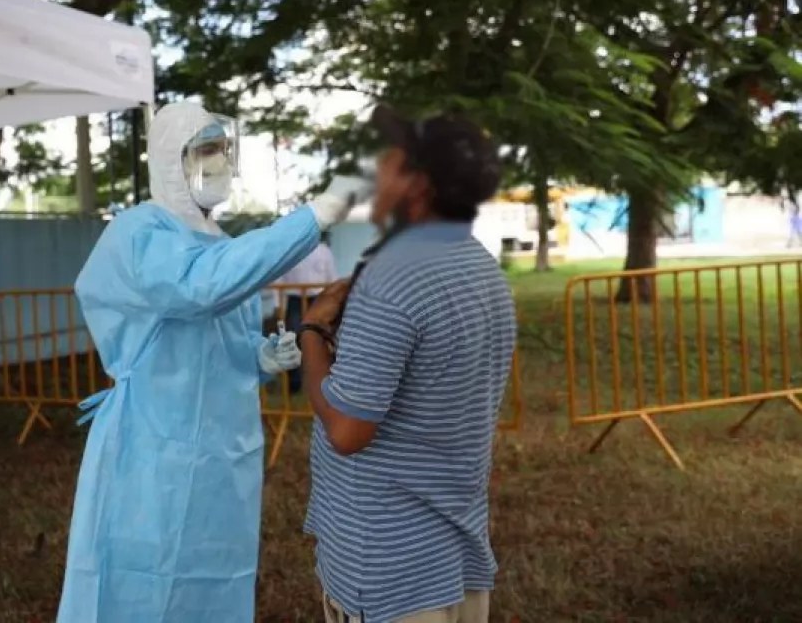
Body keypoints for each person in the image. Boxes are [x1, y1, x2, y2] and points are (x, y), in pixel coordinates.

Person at [57, 101, 368, 623]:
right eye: (205, 150)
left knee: (215, 576)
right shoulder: (138, 233)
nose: (218, 162)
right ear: (167, 159)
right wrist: (314, 216)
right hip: (154, 445)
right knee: (142, 578)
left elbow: (224, 334)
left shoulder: (220, 244)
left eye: (222, 149)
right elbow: (196, 289)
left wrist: (261, 357)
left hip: (224, 451)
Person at [297, 105, 516, 623]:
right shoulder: (482, 268)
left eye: (392, 159)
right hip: (451, 555)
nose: (379, 169)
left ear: (420, 184)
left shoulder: (392, 276)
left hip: (386, 568)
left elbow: (349, 432)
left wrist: (311, 334)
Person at [277, 232, 340, 391]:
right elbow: (280, 278)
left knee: (320, 339)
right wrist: (279, 305)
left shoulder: (324, 250)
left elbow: (332, 277)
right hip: (295, 299)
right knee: (293, 339)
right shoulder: (290, 250)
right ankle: (294, 383)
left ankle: (322, 380)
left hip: (318, 298)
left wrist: (334, 303)